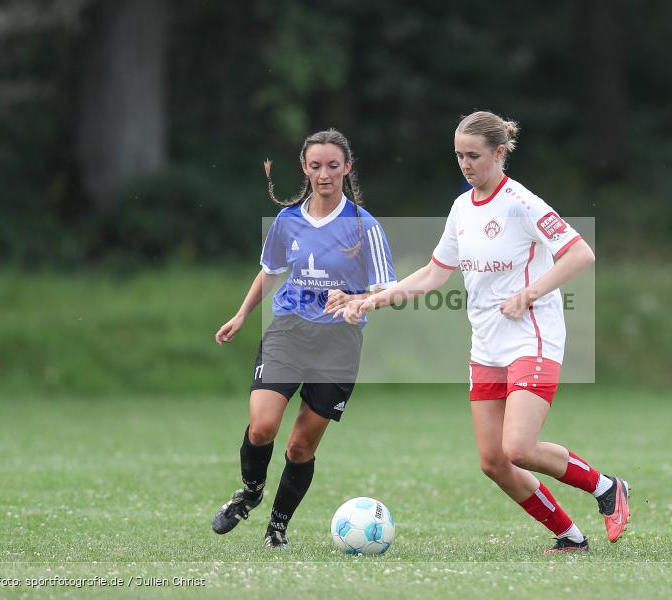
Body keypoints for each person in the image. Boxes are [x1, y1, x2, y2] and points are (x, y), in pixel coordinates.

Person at [341, 111, 629, 554]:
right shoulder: (461, 208)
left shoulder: (522, 202)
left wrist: (530, 292)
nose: (465, 164)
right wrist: (372, 298)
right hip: (487, 345)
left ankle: (607, 487)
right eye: (458, 155)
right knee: (494, 461)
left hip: (533, 336)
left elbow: (581, 254)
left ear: (499, 153)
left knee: (518, 446)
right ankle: (569, 537)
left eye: (473, 155)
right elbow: (434, 276)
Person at [212, 129, 396, 548]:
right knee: (262, 427)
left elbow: (389, 290)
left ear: (347, 168)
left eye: (333, 165)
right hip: (288, 332)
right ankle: (250, 493)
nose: (325, 174)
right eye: (316, 166)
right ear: (304, 168)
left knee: (299, 447)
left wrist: (355, 300)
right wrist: (242, 315)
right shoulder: (287, 220)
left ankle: (277, 526)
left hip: (338, 344)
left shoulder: (364, 227)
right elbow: (271, 271)